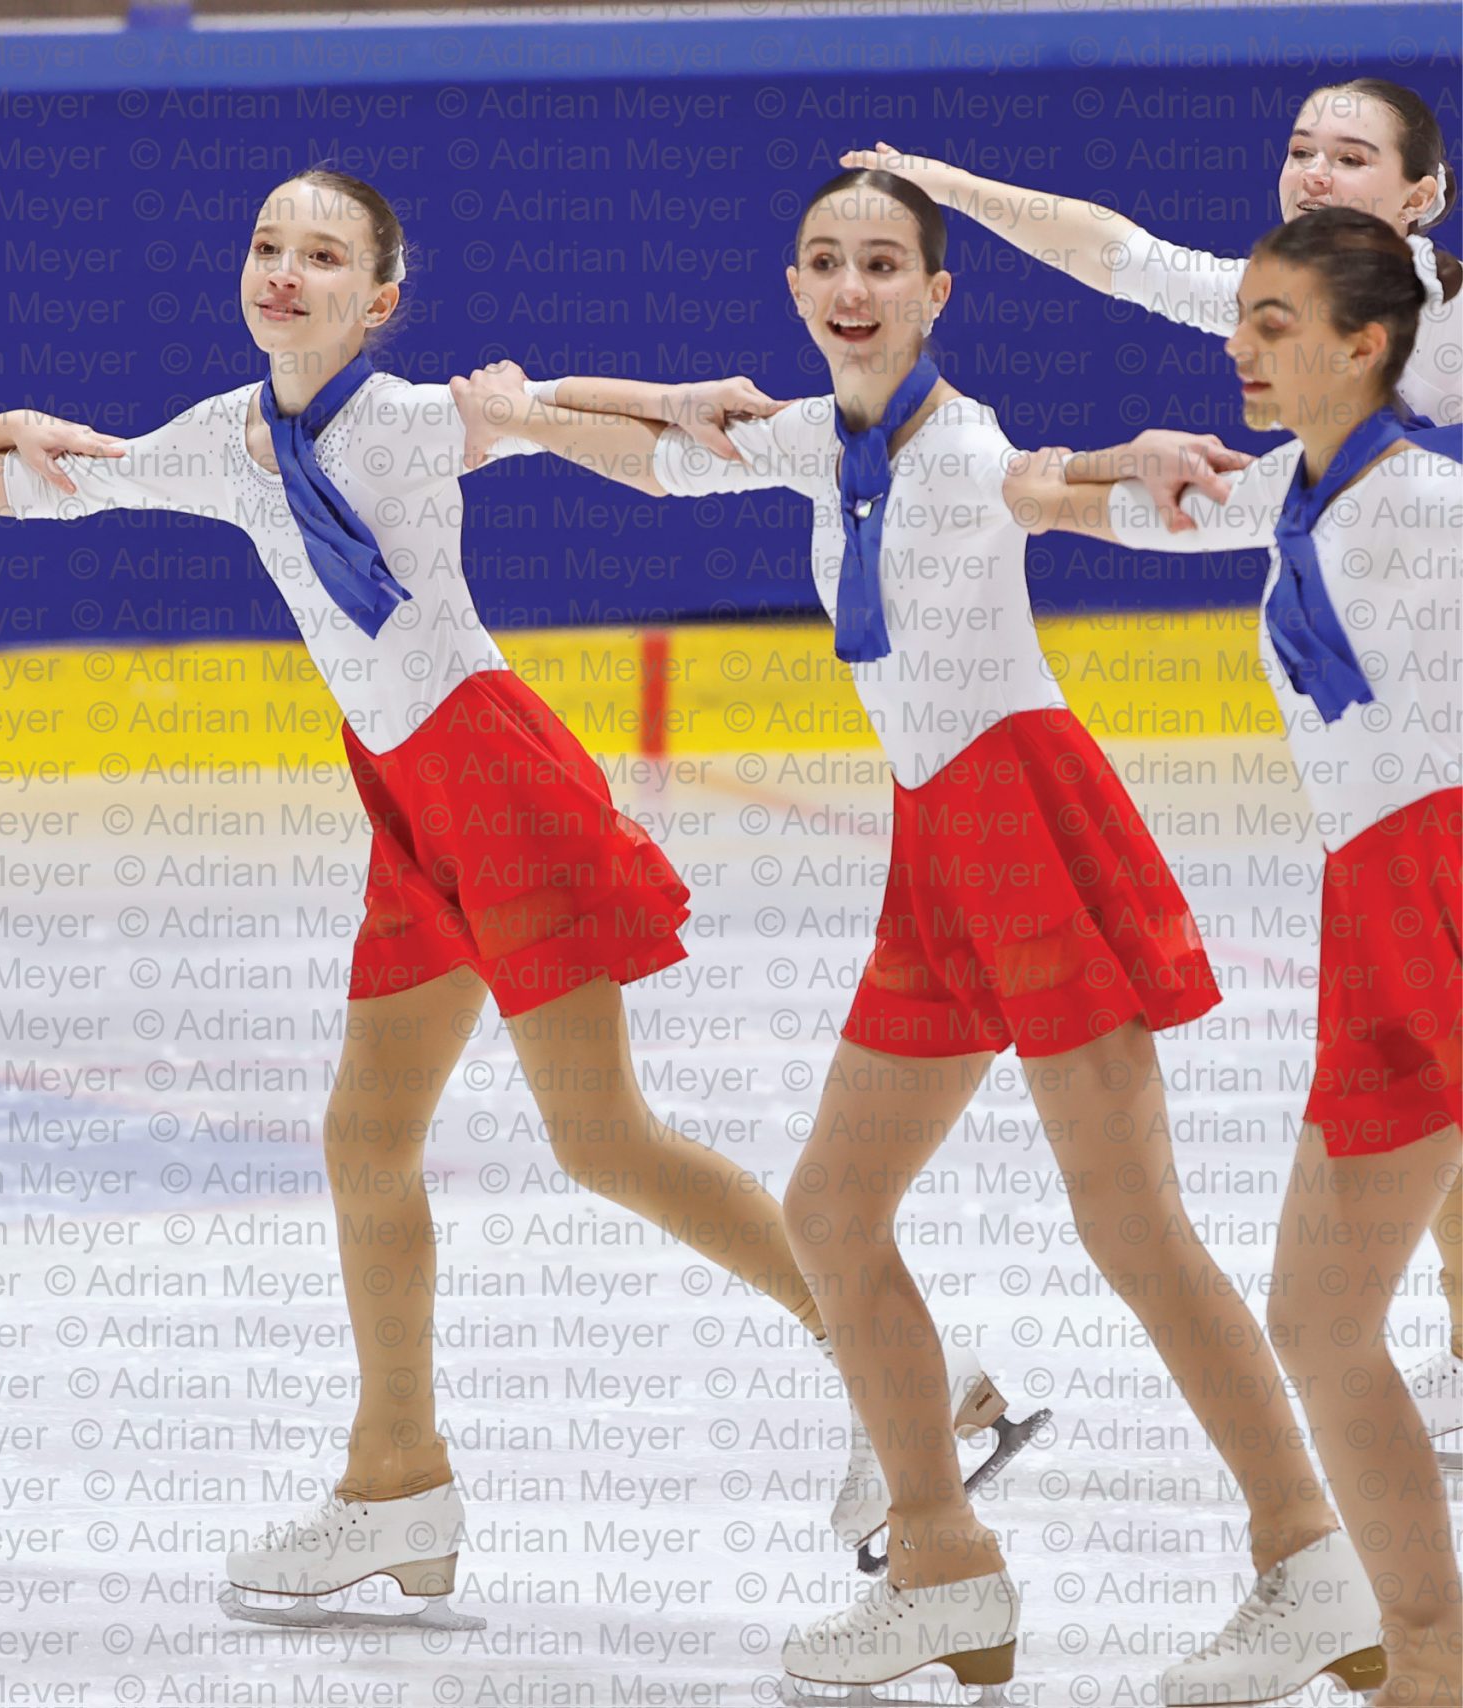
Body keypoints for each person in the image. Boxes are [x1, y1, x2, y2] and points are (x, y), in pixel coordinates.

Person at [0, 166, 853, 1631]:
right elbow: (55, 480)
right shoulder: (227, 439)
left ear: (380, 301)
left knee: (603, 1137)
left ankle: (895, 1369)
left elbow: (549, 409)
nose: (285, 273)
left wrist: (666, 398)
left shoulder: (408, 423)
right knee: (366, 1140)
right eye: (267, 246)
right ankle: (397, 1480)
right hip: (411, 800)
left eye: (324, 257)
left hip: (495, 778)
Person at [452, 169, 1357, 1694]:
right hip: (938, 840)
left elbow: (1045, 483)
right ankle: (943, 1566)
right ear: (796, 288)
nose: (852, 288)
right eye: (825, 261)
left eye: (883, 264)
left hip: (1024, 819)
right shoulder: (829, 441)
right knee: (831, 1211)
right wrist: (536, 409)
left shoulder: (964, 446)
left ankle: (1308, 1555)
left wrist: (1120, 462)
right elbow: (669, 458)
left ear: (939, 294)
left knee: (1134, 1229)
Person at [1005, 205, 1461, 1708]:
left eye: (1276, 325)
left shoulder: (1430, 510)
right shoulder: (1297, 494)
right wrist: (1058, 473)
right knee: (1322, 1324)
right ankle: (1432, 1658)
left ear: (1366, 345)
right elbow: (1094, 507)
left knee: (1324, 1322)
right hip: (1378, 917)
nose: (1242, 348)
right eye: (1240, 319)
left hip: (1443, 892)